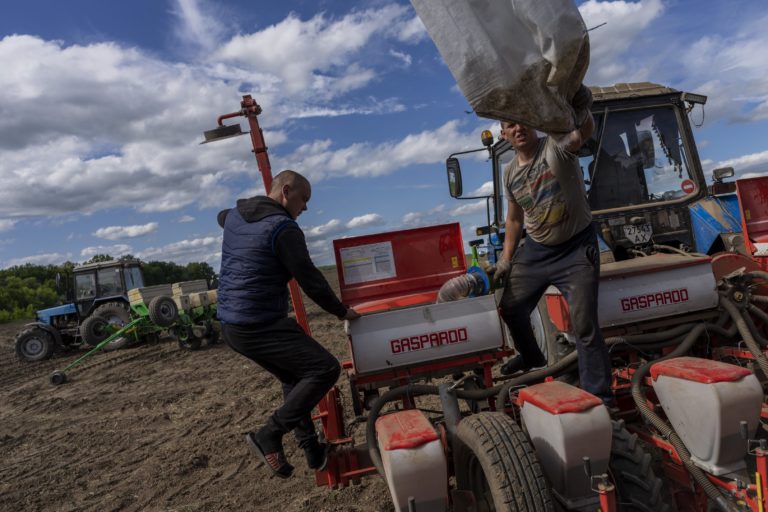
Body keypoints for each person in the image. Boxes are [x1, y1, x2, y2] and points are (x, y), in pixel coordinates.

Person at [216, 170, 360, 479]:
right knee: (324, 368)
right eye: (304, 199)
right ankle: (270, 433)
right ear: (286, 190)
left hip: (232, 326)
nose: (305, 207)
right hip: (259, 324)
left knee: (295, 377)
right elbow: (311, 280)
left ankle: (312, 450)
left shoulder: (234, 216)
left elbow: (221, 216)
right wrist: (341, 311)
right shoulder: (284, 229)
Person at [494, 85, 613, 405]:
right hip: (537, 250)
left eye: (522, 121)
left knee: (584, 325)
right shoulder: (509, 173)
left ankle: (600, 396)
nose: (518, 128)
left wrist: (581, 106)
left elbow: (582, 131)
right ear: (503, 133)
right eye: (510, 125)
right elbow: (514, 220)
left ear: (531, 122)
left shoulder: (555, 148)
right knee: (510, 307)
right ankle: (532, 358)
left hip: (576, 249)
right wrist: (506, 260)